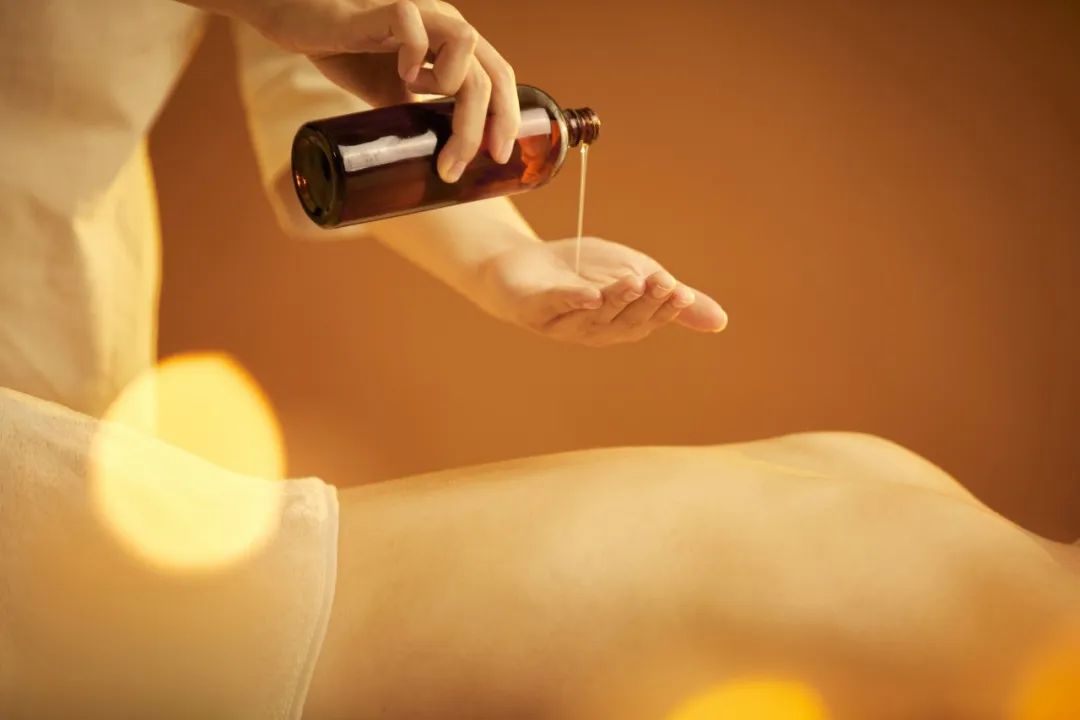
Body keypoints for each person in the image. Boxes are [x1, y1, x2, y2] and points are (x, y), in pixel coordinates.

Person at [0, 1, 1075, 718]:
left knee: (858, 472)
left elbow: (323, 77)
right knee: (872, 547)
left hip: (73, 382)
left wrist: (504, 261)